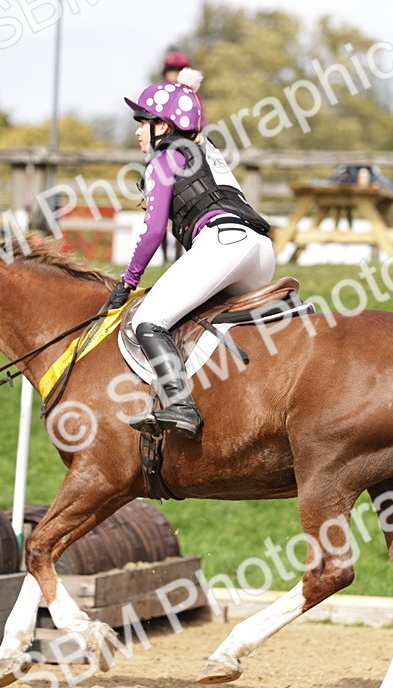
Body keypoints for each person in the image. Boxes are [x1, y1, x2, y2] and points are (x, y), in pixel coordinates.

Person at [105, 69, 274, 439]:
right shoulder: (209, 153)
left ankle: (180, 404)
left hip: (223, 245)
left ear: (162, 128)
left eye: (143, 121)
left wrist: (126, 282)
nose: (137, 131)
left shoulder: (163, 161)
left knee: (146, 321)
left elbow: (151, 234)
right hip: (261, 252)